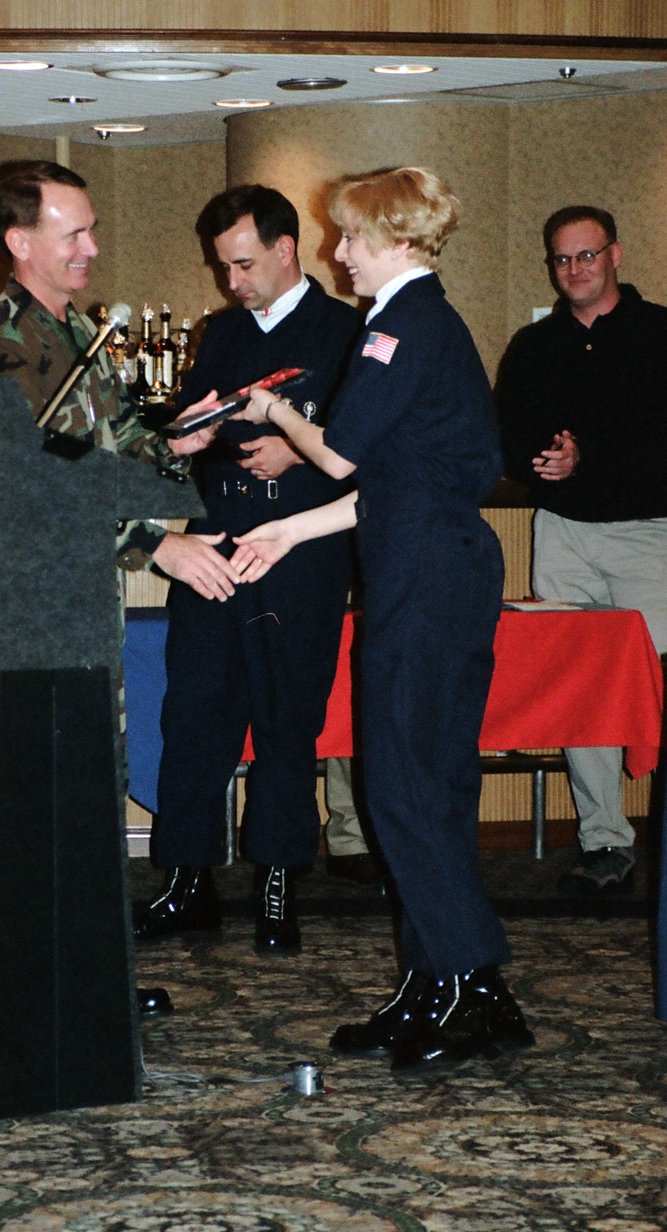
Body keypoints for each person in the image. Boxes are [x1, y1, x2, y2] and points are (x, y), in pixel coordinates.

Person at [231, 167, 533, 1074]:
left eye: (352, 238)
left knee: (404, 784)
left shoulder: (401, 325)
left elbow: (337, 453)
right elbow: (392, 486)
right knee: (422, 779)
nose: (339, 253)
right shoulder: (424, 322)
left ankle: (469, 982)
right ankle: (438, 982)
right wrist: (286, 531)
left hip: (426, 577)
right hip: (435, 563)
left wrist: (272, 407)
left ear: (398, 240)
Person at [133, 185, 360, 955]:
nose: (230, 281)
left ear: (284, 249)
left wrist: (298, 448)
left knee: (286, 719)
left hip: (300, 550)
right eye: (222, 267)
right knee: (193, 713)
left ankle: (277, 882)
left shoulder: (343, 330)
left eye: (242, 264)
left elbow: (367, 447)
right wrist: (185, 432)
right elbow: (190, 424)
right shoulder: (222, 332)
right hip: (217, 539)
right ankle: (187, 879)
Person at [0, 160, 237, 596]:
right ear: (20, 243)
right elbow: (29, 479)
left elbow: (117, 441)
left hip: (90, 586)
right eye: (74, 235)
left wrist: (175, 443)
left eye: (91, 230)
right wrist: (153, 544)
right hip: (27, 591)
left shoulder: (83, 331)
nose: (93, 249)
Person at [495, 207, 666, 897]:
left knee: (658, 682)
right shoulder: (534, 345)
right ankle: (604, 842)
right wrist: (546, 460)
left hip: (649, 533)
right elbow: (508, 436)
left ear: (615, 255)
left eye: (586, 255)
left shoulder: (659, 334)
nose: (573, 270)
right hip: (562, 531)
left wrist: (587, 456)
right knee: (582, 687)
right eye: (561, 259)